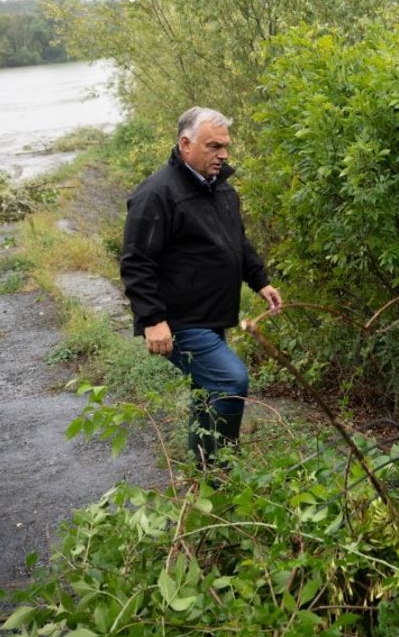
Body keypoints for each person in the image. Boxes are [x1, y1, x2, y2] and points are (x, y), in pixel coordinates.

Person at [120, 107, 282, 470]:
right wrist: (152, 320)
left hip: (211, 316)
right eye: (214, 146)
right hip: (180, 320)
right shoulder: (157, 193)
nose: (223, 154)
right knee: (230, 378)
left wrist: (260, 281)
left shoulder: (221, 190)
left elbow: (236, 242)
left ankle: (203, 470)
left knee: (206, 392)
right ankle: (223, 468)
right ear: (185, 144)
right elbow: (136, 261)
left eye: (225, 146)